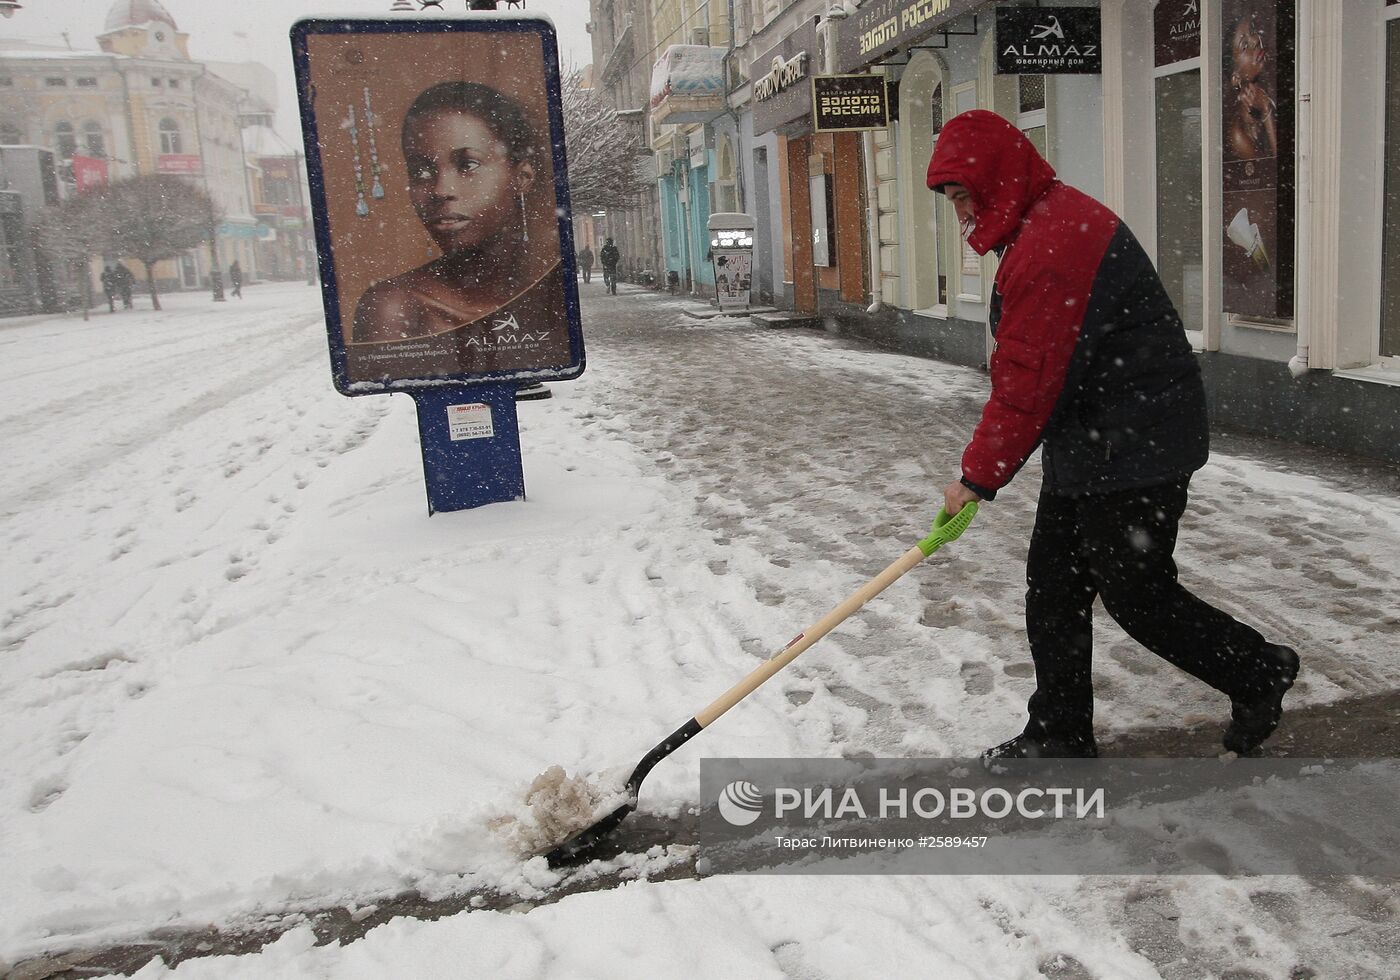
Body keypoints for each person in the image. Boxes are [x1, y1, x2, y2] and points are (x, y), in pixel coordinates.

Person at [925, 110, 1299, 761]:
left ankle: (1257, 670)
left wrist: (976, 478)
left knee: (1138, 597)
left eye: (964, 196)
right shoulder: (1041, 224)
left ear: (995, 182)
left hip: (1136, 446)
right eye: (954, 200)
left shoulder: (1051, 246)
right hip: (1096, 441)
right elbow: (1037, 373)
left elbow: (1028, 382)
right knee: (1054, 587)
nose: (960, 214)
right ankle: (1061, 730)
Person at [353, 81, 541, 343]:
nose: (441, 190)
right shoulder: (393, 307)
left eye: (467, 164)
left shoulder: (548, 288)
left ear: (521, 177)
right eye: (421, 171)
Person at [1227, 11, 1277, 161]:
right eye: (1244, 46)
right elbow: (1274, 173)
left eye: (1253, 31)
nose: (1255, 40)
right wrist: (1266, 109)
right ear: (1236, 77)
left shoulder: (1272, 83)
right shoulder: (1239, 134)